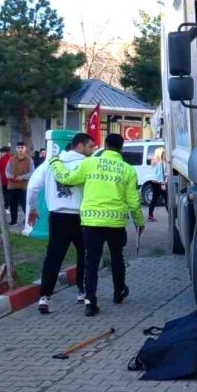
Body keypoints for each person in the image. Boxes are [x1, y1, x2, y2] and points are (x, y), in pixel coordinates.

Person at [50, 133, 144, 316]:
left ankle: (90, 302)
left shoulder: (90, 162)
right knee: (117, 257)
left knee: (91, 261)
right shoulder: (128, 170)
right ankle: (118, 292)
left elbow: (67, 179)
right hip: (116, 222)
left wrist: (55, 163)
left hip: (91, 222)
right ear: (121, 148)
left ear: (105, 146)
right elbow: (133, 201)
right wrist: (139, 222)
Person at [27, 134, 96, 314]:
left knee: (53, 257)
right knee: (85, 255)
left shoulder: (51, 163)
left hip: (58, 216)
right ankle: (83, 291)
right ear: (80, 146)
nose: (93, 150)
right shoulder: (89, 164)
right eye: (91, 146)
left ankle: (45, 297)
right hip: (82, 217)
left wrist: (32, 208)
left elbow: (33, 187)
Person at [5, 142, 35, 226]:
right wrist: (9, 176)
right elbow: (7, 171)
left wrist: (22, 177)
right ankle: (13, 221)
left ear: (25, 149)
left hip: (23, 186)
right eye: (18, 147)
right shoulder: (11, 159)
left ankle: (26, 220)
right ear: (16, 149)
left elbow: (32, 173)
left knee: (25, 204)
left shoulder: (30, 160)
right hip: (12, 185)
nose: (20, 149)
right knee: (12, 204)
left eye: (22, 147)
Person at [147, 148, 166, 222]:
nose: (164, 154)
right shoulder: (157, 162)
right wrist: (162, 182)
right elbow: (157, 175)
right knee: (156, 199)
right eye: (163, 153)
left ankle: (150, 216)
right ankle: (150, 216)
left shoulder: (159, 162)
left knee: (162, 199)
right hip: (157, 183)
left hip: (158, 183)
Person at [0, 145, 12, 218]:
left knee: (5, 194)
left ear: (4, 152)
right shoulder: (12, 158)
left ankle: (6, 207)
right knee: (10, 194)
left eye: (1, 152)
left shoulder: (1, 160)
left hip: (3, 180)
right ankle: (8, 207)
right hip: (11, 180)